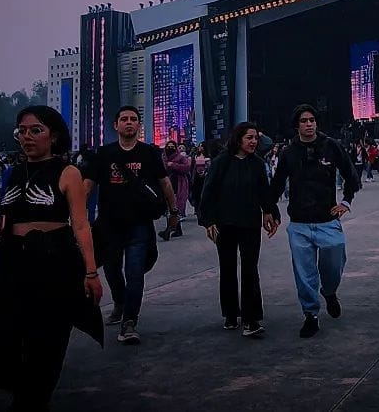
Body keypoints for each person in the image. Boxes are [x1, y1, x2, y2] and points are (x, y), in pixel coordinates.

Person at [0, 106, 103, 411]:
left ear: (54, 135)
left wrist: (90, 272)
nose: (27, 136)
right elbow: (9, 215)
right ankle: (26, 392)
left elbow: (81, 223)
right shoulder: (14, 171)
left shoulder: (67, 172)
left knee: (46, 341)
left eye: (36, 130)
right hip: (12, 264)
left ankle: (32, 400)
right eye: (22, 130)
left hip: (53, 263)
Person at [83, 106, 180, 346]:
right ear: (116, 125)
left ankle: (129, 322)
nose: (129, 123)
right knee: (112, 270)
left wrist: (174, 211)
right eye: (124, 119)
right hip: (109, 224)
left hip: (139, 224)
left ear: (139, 126)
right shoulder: (103, 154)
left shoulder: (149, 153)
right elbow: (87, 185)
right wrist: (75, 216)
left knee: (134, 272)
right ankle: (119, 301)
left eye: (133, 119)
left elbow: (165, 182)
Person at [268, 104, 360, 338]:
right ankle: (311, 315)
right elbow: (277, 184)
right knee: (304, 272)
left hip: (327, 220)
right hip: (299, 223)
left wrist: (346, 202)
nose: (309, 124)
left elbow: (351, 175)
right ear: (296, 125)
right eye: (303, 121)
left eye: (312, 120)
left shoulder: (331, 146)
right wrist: (271, 211)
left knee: (334, 262)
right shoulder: (289, 153)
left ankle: (329, 292)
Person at [199, 122, 281, 336]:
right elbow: (208, 193)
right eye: (249, 138)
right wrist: (208, 221)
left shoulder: (257, 164)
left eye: (255, 138)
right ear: (238, 139)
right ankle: (230, 314)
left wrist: (270, 213)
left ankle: (251, 319)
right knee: (227, 268)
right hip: (224, 224)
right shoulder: (221, 163)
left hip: (249, 223)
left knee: (250, 269)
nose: (254, 142)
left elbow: (265, 192)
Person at [159, 141, 191, 240]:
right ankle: (177, 229)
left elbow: (186, 168)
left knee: (174, 208)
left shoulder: (181, 157)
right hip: (166, 185)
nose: (170, 148)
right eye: (168, 146)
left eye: (172, 146)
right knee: (169, 208)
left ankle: (168, 230)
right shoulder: (163, 158)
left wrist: (173, 165)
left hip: (178, 184)